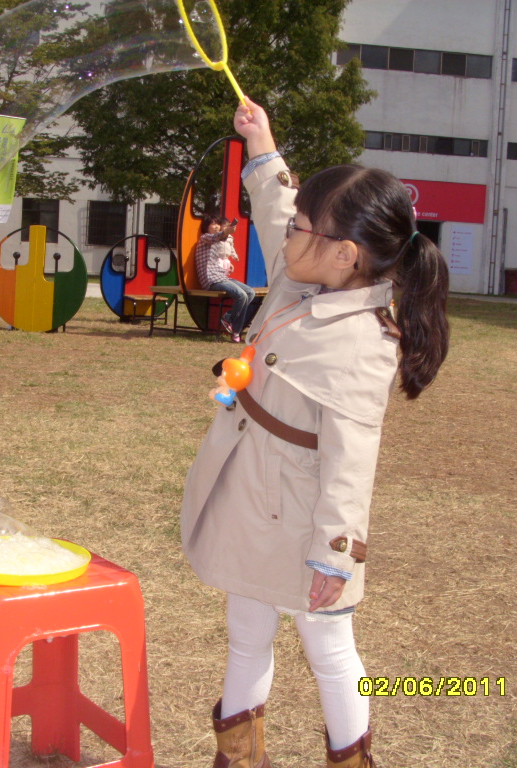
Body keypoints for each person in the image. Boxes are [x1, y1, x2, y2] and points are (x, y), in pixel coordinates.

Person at [180, 97, 450, 768]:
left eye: (305, 227)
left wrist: (335, 551)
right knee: (245, 633)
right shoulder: (307, 275)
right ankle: (238, 760)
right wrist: (263, 146)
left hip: (301, 518)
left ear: (345, 254)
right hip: (252, 489)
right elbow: (279, 213)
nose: (287, 233)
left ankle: (351, 761)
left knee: (330, 652)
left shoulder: (365, 341)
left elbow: (353, 456)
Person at [196, 213, 255, 342]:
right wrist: (226, 232)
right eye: (213, 224)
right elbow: (217, 237)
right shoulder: (205, 238)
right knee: (241, 295)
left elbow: (222, 250)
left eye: (218, 224)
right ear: (206, 226)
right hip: (211, 279)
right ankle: (228, 318)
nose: (216, 226)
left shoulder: (217, 241)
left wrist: (229, 264)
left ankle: (235, 330)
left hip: (221, 276)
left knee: (250, 292)